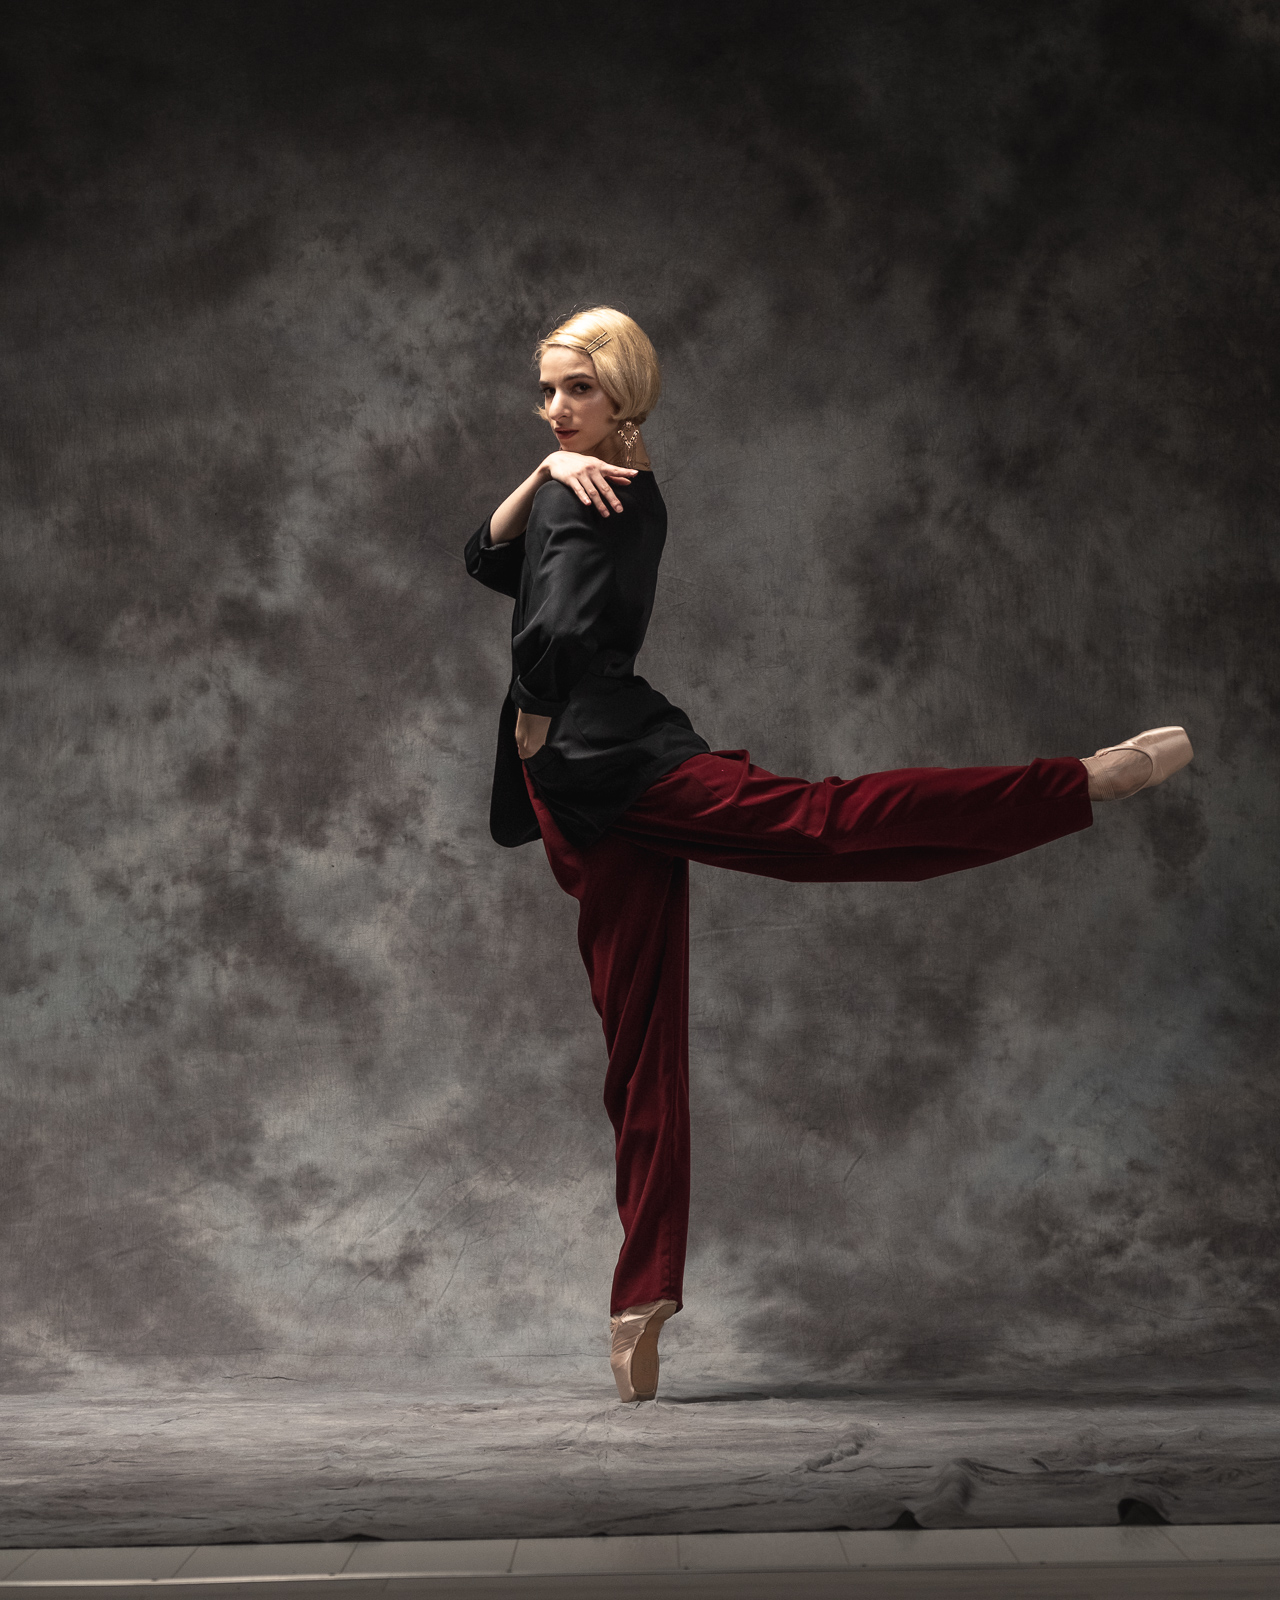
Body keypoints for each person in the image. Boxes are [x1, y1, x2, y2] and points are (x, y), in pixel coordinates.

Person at [463, 305, 1193, 1404]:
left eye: (577, 389)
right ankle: (640, 1297)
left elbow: (553, 634)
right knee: (641, 1040)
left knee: (821, 825)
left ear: (624, 391)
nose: (555, 409)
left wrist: (529, 712)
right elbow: (487, 557)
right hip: (591, 780)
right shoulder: (616, 484)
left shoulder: (592, 494)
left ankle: (1071, 781)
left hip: (604, 766)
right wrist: (543, 469)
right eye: (548, 390)